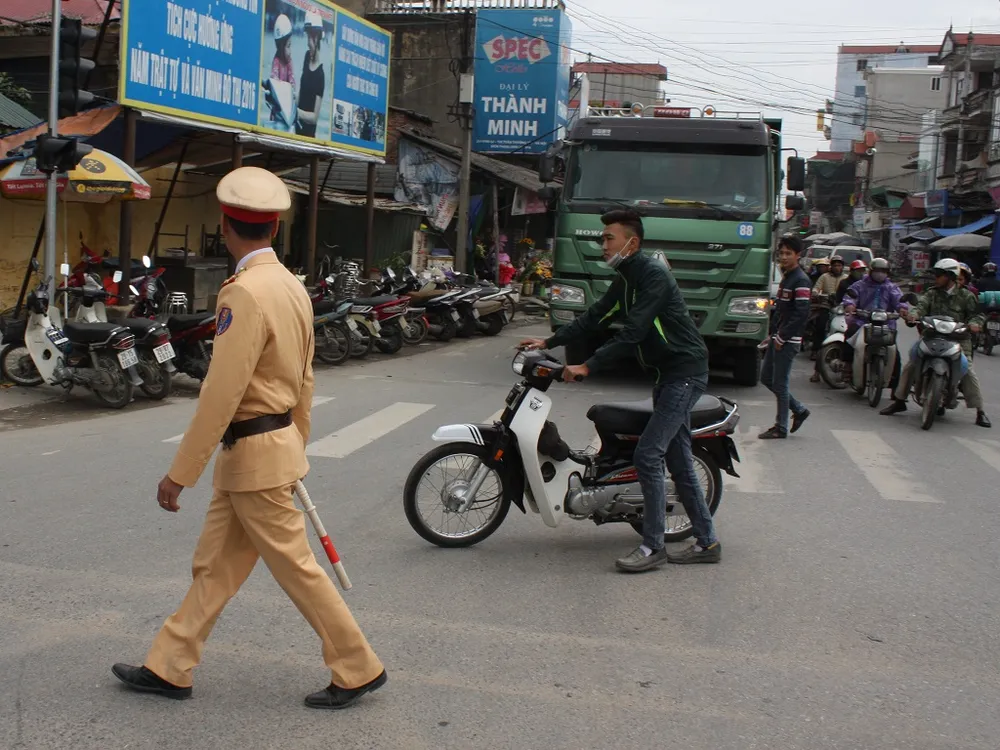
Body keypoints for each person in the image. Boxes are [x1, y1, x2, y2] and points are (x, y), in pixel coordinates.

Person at [112, 167, 387, 708]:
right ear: (277, 227)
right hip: (266, 452)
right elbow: (305, 380)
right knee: (215, 567)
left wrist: (180, 473)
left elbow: (222, 392)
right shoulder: (291, 287)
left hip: (254, 455)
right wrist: (295, 444)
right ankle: (169, 665)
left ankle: (357, 666)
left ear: (224, 224)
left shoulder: (243, 294)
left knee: (298, 570)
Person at [518, 209, 719, 573]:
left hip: (685, 374)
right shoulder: (627, 276)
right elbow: (595, 315)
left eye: (609, 237)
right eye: (603, 237)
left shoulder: (652, 275)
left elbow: (635, 332)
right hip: (668, 374)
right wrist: (549, 339)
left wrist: (587, 366)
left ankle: (653, 547)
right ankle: (708, 541)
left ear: (632, 242)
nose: (603, 243)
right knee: (679, 461)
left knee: (648, 456)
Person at [880, 257, 991, 428]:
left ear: (950, 276)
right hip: (931, 337)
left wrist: (975, 324)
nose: (936, 278)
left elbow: (977, 315)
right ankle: (899, 400)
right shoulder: (931, 293)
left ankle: (980, 411)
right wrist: (914, 315)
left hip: (959, 340)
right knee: (911, 364)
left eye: (939, 275)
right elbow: (920, 307)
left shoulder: (966, 296)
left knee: (967, 369)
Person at [759, 234, 811, 439]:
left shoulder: (801, 280)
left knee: (780, 383)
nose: (784, 257)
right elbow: (780, 311)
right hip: (778, 337)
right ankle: (798, 409)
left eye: (788, 253)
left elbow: (801, 314)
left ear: (798, 255)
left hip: (788, 340)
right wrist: (771, 335)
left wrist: (782, 337)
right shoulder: (787, 277)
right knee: (766, 378)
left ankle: (780, 427)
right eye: (781, 253)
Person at [842, 257, 907, 389]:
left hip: (885, 324)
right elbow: (850, 297)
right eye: (877, 270)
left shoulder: (891, 287)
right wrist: (850, 306)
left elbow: (900, 300)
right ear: (871, 271)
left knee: (895, 354)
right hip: (862, 321)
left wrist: (902, 309)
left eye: (883, 271)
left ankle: (896, 388)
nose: (880, 273)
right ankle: (847, 367)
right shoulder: (860, 285)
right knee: (849, 336)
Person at [296, 12, 325, 138]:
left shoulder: (320, 75)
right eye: (307, 37)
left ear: (318, 37)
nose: (308, 42)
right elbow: (301, 92)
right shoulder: (306, 57)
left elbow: (314, 117)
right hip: (296, 128)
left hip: (307, 136)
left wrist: (295, 112)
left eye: (311, 38)